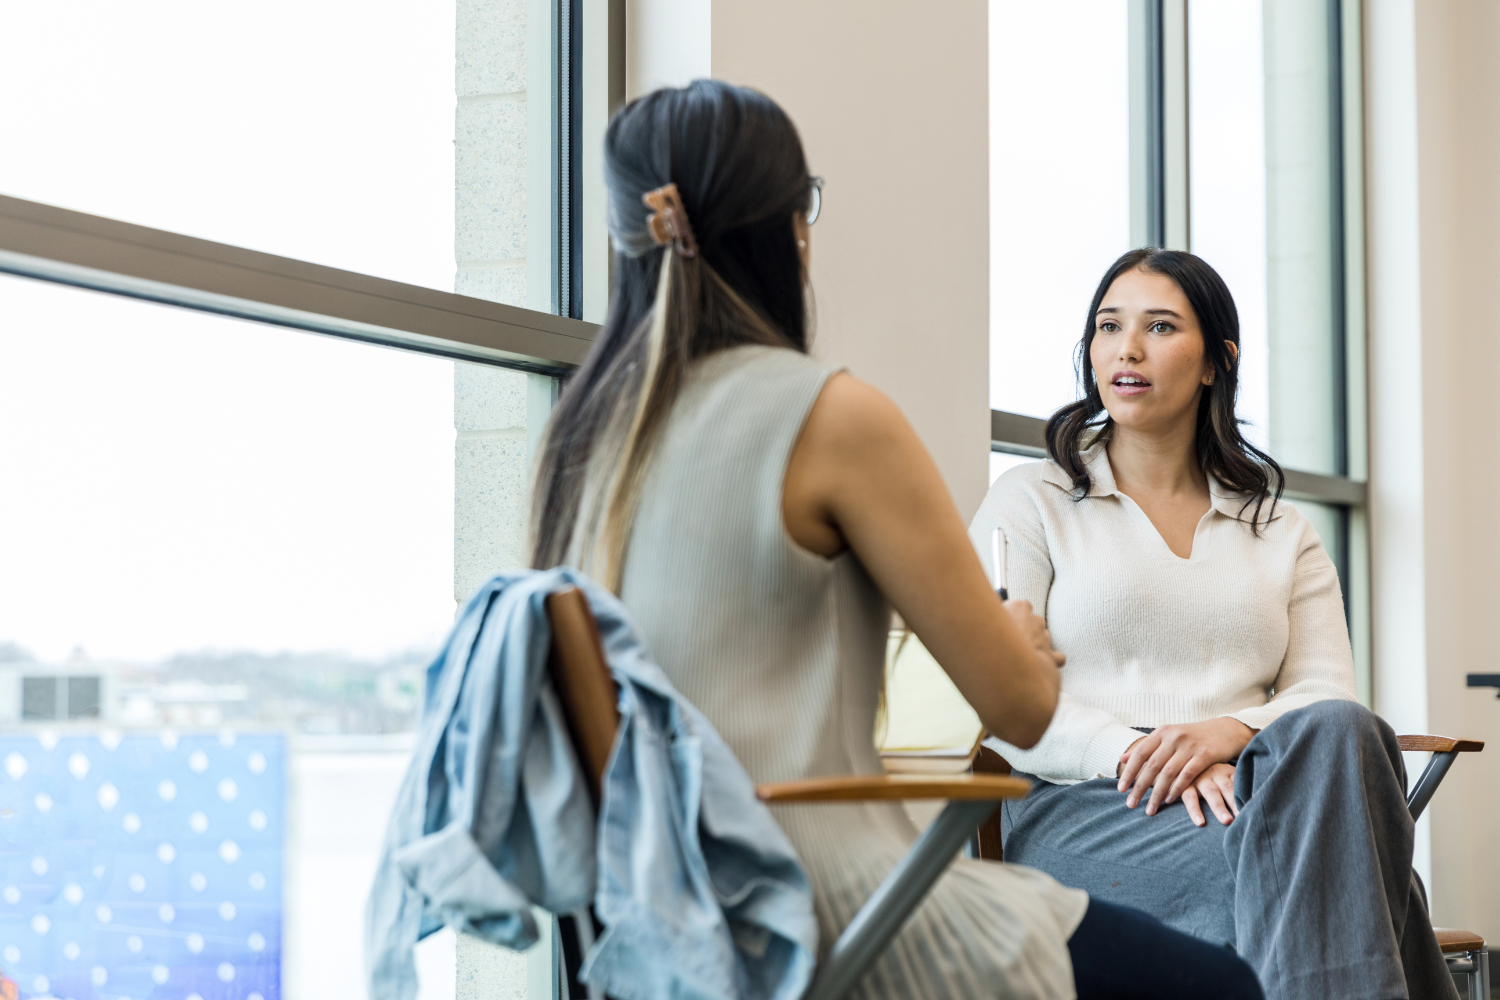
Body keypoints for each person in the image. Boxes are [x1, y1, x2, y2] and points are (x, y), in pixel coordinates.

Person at [529, 81, 1262, 1000]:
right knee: (1221, 988)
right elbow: (1023, 709)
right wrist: (1026, 648)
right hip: (828, 908)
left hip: (650, 924)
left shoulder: (582, 438)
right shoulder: (833, 418)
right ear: (791, 227)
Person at [970, 247, 1456, 1000]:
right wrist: (1153, 756)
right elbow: (994, 689)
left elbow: (1323, 694)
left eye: (1159, 327)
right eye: (1108, 327)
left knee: (1346, 730)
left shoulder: (1279, 528)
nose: (1126, 349)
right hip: (1093, 807)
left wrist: (1227, 735)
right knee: (1350, 868)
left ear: (1214, 362)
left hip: (1262, 794)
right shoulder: (1032, 500)